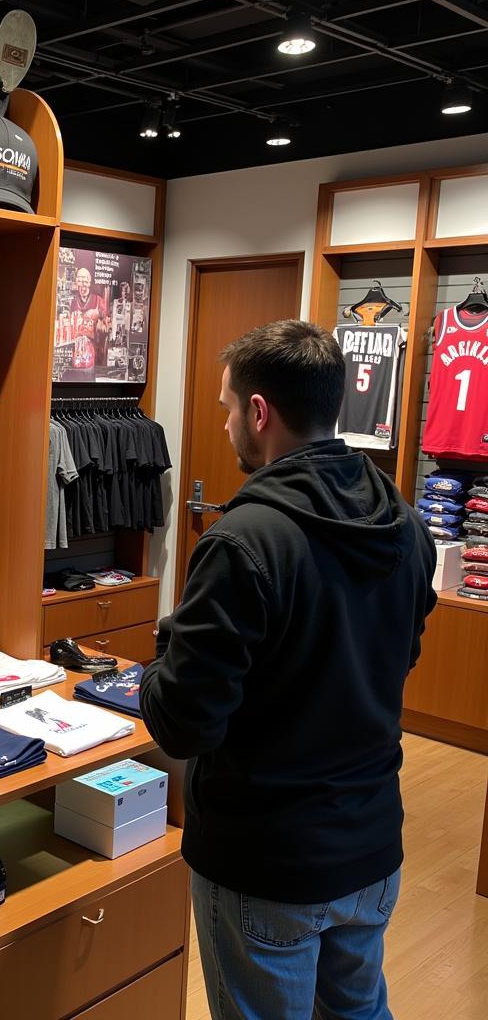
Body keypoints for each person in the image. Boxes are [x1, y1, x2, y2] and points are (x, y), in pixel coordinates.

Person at [140, 320, 436, 1020]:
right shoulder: (405, 523)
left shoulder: (243, 542)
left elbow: (183, 723)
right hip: (369, 847)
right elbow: (400, 655)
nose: (225, 421)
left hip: (265, 862)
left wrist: (162, 651)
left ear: (260, 412)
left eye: (226, 406)